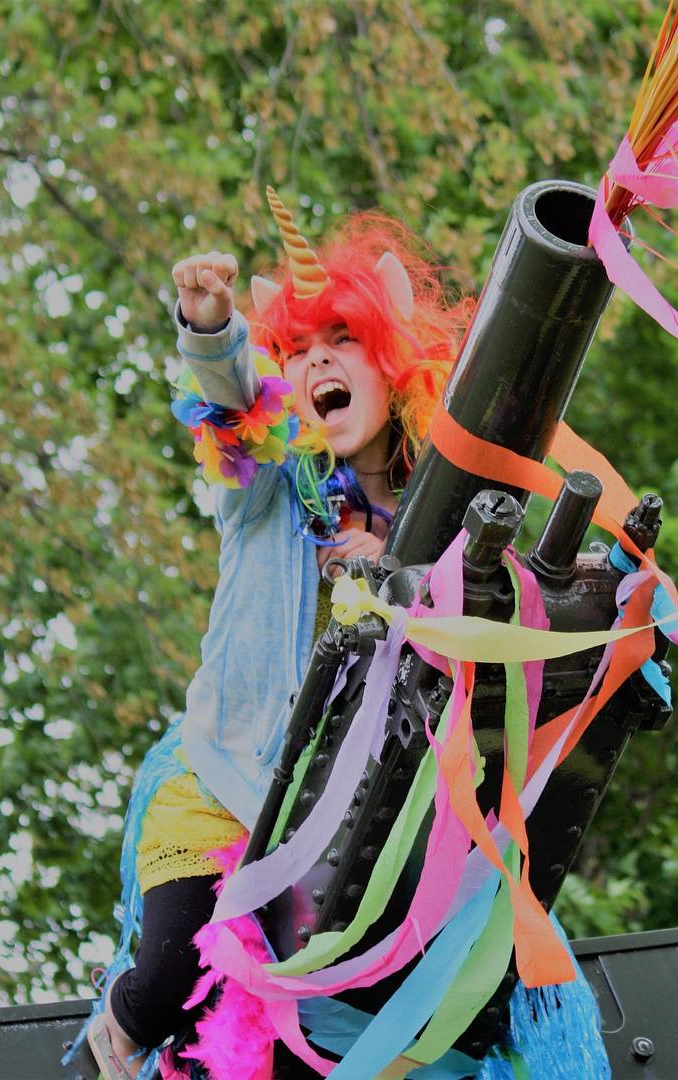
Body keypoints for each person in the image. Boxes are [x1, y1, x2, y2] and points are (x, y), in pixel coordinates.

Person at [82, 190, 470, 1079]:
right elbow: (233, 399)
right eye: (297, 351)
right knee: (168, 980)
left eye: (342, 345)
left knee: (295, 1037)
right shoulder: (267, 483)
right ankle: (120, 1027)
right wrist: (211, 330)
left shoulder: (427, 527)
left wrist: (397, 573)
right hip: (219, 782)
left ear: (393, 368)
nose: (315, 364)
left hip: (331, 822)